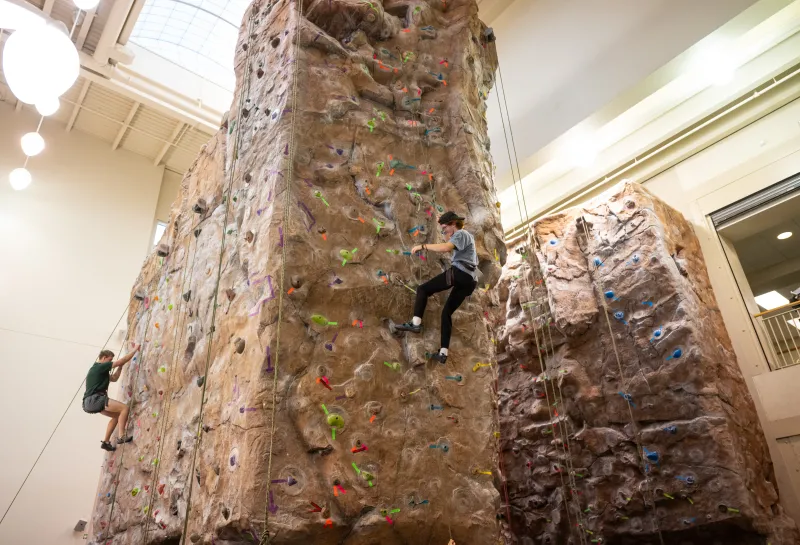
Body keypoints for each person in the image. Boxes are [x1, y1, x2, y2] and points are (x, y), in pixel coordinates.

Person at [395, 211, 478, 364]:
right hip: (469, 281)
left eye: (445, 227)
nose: (444, 231)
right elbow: (448, 243)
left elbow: (446, 247)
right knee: (446, 313)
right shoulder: (463, 237)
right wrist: (442, 223)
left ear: (454, 224)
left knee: (423, 289)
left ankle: (415, 324)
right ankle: (443, 353)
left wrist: (423, 246)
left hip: (460, 273)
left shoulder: (461, 233)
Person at [82, 344, 140, 451]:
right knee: (124, 408)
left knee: (117, 416)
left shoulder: (99, 371)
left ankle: (106, 442)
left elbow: (114, 378)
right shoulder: (99, 366)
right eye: (109, 360)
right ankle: (121, 436)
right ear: (104, 358)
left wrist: (121, 367)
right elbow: (121, 360)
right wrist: (135, 349)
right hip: (95, 399)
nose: (110, 362)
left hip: (89, 403)